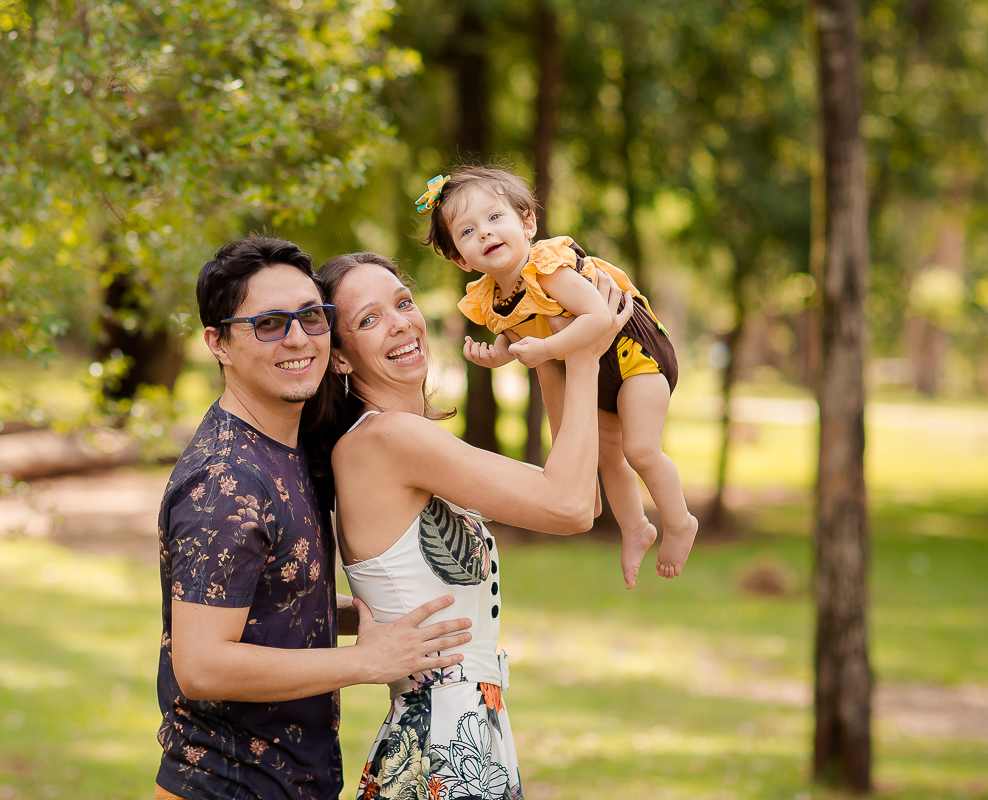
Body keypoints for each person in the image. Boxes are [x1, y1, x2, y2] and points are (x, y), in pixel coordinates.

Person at [155, 236, 474, 800]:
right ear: (218, 343)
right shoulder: (225, 481)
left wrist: (369, 614)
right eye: (270, 324)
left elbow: (266, 601)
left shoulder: (287, 447)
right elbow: (202, 665)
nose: (299, 338)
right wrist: (363, 662)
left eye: (312, 316)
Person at [312, 251, 633, 800]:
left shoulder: (401, 438)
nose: (400, 323)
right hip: (445, 739)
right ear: (340, 359)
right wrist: (582, 357)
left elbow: (581, 493)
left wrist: (554, 359)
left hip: (464, 730)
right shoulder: (389, 439)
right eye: (368, 319)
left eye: (403, 302)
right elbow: (571, 507)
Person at [417, 166, 698, 589]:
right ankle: (635, 527)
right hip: (595, 370)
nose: (486, 233)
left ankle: (679, 522)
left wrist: (546, 351)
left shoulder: (547, 268)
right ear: (459, 258)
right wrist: (495, 358)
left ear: (527, 222)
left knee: (640, 449)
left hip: (634, 354)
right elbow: (516, 340)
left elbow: (598, 316)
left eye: (495, 218)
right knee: (609, 457)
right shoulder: (490, 299)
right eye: (468, 231)